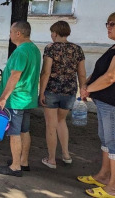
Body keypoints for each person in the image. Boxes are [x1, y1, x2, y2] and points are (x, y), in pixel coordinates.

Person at [0, 21, 41, 177]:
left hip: (16, 99)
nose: (9, 35)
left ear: (18, 34)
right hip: (27, 98)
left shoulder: (21, 51)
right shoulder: (34, 49)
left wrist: (2, 98)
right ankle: (23, 162)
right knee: (24, 130)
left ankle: (15, 167)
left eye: (10, 32)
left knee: (14, 133)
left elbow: (15, 76)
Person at [39, 21, 86, 169]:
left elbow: (46, 72)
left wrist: (41, 91)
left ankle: (51, 159)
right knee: (61, 121)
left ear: (55, 33)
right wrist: (82, 89)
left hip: (52, 90)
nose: (51, 35)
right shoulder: (78, 49)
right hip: (70, 91)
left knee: (50, 125)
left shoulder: (50, 48)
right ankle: (66, 155)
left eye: (52, 32)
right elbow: (82, 73)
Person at [78, 13, 115, 197]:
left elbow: (110, 77)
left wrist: (88, 89)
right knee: (105, 139)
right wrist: (87, 86)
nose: (108, 27)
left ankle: (112, 187)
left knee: (113, 142)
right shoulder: (113, 47)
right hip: (104, 102)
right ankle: (103, 175)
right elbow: (100, 72)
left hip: (112, 103)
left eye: (112, 24)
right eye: (107, 23)